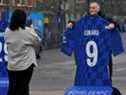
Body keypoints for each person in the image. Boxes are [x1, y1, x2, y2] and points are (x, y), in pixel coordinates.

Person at [61, 1, 124, 92]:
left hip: (102, 58)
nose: (92, 10)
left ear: (99, 9)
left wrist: (113, 25)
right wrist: (71, 24)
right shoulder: (84, 21)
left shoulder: (105, 20)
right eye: (90, 8)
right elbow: (75, 24)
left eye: (94, 8)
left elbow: (115, 26)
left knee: (104, 77)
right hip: (87, 61)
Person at [5, 9, 40, 95]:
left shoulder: (7, 31)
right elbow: (37, 42)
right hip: (26, 66)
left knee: (12, 88)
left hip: (12, 66)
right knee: (24, 88)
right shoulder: (27, 31)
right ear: (23, 19)